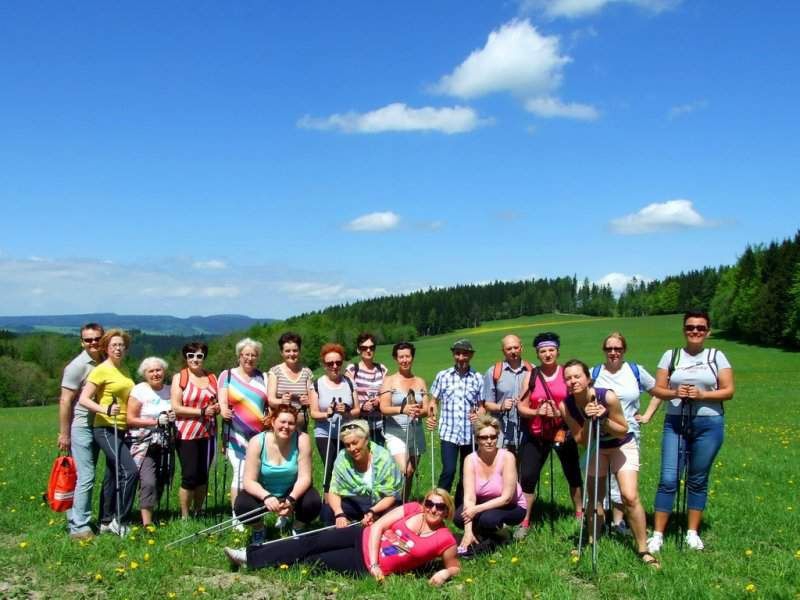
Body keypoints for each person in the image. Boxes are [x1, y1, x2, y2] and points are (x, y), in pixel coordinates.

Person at [225, 488, 461, 587]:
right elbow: (378, 527)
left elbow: (455, 566)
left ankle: (269, 562)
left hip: (362, 565)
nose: (433, 509)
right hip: (362, 537)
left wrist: (445, 573)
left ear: (447, 511)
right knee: (310, 542)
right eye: (429, 503)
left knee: (314, 561)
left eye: (440, 507)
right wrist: (376, 563)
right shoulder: (412, 509)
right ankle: (249, 556)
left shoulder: (444, 539)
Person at [646, 310, 734, 553]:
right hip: (676, 422)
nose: (695, 331)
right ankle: (657, 535)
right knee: (668, 479)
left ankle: (692, 533)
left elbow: (728, 391)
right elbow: (658, 389)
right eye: (690, 327)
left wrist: (702, 394)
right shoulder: (671, 356)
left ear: (708, 331)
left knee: (697, 479)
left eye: (700, 328)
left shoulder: (716, 356)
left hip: (709, 424)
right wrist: (675, 393)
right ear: (684, 330)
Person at [560, 359, 659, 568]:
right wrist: (589, 419)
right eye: (568, 378)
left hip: (621, 445)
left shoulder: (607, 396)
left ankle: (643, 549)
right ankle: (592, 541)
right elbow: (581, 440)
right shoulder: (566, 405)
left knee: (629, 496)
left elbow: (623, 430)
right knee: (595, 497)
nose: (573, 381)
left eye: (577, 376)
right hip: (596, 448)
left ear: (588, 379)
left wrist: (603, 419)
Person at [514, 332, 583, 539]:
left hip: (563, 431)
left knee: (573, 474)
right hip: (537, 434)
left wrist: (560, 413)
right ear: (537, 354)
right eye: (543, 351)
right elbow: (521, 407)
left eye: (551, 350)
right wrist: (537, 411)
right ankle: (524, 521)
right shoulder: (531, 375)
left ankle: (580, 515)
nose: (547, 354)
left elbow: (578, 402)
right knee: (528, 477)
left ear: (557, 351)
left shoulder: (566, 374)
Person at [590, 332, 656, 536]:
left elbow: (658, 391)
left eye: (617, 348)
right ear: (604, 350)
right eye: (609, 348)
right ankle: (601, 522)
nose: (613, 352)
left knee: (622, 482)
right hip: (600, 435)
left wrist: (647, 415)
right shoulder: (594, 373)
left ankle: (618, 523)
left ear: (624, 350)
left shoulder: (635, 371)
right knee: (600, 481)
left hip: (628, 435)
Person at [233, 404, 321, 544]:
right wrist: (267, 497)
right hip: (265, 490)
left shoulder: (302, 439)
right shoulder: (257, 441)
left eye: (291, 423)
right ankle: (258, 528)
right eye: (282, 422)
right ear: (273, 422)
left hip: (292, 490)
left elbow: (305, 477)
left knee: (313, 502)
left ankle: (298, 527)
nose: (286, 426)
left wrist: (291, 499)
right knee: (242, 505)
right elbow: (249, 481)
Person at [78, 328, 137, 536]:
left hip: (121, 428)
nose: (118, 348)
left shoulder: (124, 369)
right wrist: (105, 409)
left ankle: (105, 520)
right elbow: (84, 399)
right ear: (106, 348)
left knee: (112, 474)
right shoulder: (101, 370)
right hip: (105, 427)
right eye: (114, 345)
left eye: (121, 345)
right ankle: (120, 520)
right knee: (130, 471)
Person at [57, 322, 104, 540]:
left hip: (100, 425)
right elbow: (65, 401)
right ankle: (79, 527)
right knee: (86, 475)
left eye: (97, 339)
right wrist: (64, 434)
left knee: (84, 476)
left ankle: (77, 518)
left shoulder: (106, 361)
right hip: (82, 426)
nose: (93, 343)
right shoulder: (76, 366)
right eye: (88, 340)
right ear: (82, 342)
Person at [454, 415, 526, 556]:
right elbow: (469, 497)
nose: (489, 441)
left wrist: (476, 509)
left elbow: (506, 498)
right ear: (477, 439)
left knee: (488, 519)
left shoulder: (507, 457)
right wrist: (467, 531)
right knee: (459, 517)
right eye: (484, 438)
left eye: (493, 437)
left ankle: (502, 534)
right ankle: (475, 536)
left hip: (511, 505)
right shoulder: (470, 460)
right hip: (483, 503)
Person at [428, 339, 484, 506]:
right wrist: (432, 414)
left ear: (471, 355)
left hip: (470, 434)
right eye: (457, 353)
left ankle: (460, 506)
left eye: (465, 354)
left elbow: (482, 406)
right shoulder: (443, 376)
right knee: (449, 470)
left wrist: (478, 416)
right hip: (449, 433)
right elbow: (433, 401)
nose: (461, 357)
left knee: (466, 473)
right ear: (453, 354)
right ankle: (438, 504)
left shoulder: (478, 378)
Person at [170, 341, 220, 519]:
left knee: (203, 475)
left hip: (208, 433)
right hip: (186, 434)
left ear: (204, 357)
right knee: (189, 475)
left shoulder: (212, 377)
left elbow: (218, 401)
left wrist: (217, 408)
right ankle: (185, 515)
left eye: (199, 356)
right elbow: (176, 407)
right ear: (185, 357)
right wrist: (202, 412)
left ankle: (199, 511)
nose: (195, 359)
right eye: (190, 356)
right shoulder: (180, 378)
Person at [320, 420, 401, 526]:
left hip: (381, 504)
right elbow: (334, 491)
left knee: (395, 514)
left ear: (366, 440)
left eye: (355, 443)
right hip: (354, 504)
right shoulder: (342, 458)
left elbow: (392, 495)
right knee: (327, 511)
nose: (352, 449)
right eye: (347, 445)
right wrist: (339, 514)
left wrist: (372, 511)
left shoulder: (383, 457)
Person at [219, 338, 268, 511]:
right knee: (240, 474)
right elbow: (222, 400)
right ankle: (237, 515)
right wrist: (223, 410)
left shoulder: (263, 377)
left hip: (259, 435)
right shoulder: (227, 375)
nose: (249, 358)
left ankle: (254, 512)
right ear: (239, 356)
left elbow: (268, 403)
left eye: (253, 355)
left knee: (257, 474)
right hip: (234, 433)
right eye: (246, 354)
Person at [127, 357, 176, 527]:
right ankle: (147, 523)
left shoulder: (170, 390)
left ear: (164, 371)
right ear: (144, 374)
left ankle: (152, 512)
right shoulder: (139, 390)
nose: (155, 374)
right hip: (143, 443)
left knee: (161, 479)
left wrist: (172, 417)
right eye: (151, 371)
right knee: (148, 481)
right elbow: (130, 419)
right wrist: (155, 422)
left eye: (158, 370)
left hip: (164, 443)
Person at [309, 343, 360, 497]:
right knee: (330, 468)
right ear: (324, 365)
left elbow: (357, 410)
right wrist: (327, 414)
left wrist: (347, 412)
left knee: (348, 468)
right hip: (325, 433)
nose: (335, 366)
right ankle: (328, 503)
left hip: (347, 434)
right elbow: (313, 413)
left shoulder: (349, 382)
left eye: (338, 362)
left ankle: (346, 502)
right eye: (330, 363)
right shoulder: (317, 384)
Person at [379, 342, 429, 500]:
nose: (405, 360)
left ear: (412, 357)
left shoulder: (420, 381)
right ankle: (390, 502)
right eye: (401, 357)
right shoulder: (389, 381)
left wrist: (419, 412)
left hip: (416, 430)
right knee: (404, 470)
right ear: (396, 358)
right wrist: (402, 410)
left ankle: (404, 503)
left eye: (408, 356)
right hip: (396, 432)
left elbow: (426, 409)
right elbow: (383, 408)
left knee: (411, 471)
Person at [482, 334, 533, 453]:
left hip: (526, 431)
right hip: (501, 431)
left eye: (516, 347)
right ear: (503, 351)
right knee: (502, 462)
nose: (513, 351)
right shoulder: (493, 372)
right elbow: (487, 404)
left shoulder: (532, 370)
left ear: (521, 348)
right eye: (509, 349)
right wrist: (501, 406)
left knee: (524, 464)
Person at [345, 333, 388, 445]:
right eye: (364, 348)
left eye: (371, 347)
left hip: (378, 424)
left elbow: (387, 394)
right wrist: (362, 406)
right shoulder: (352, 370)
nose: (368, 350)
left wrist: (378, 400)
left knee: (378, 454)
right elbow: (347, 396)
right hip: (358, 425)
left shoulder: (382, 369)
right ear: (358, 350)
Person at [267, 332, 314, 431]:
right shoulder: (275, 372)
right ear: (281, 352)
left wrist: (307, 401)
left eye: (295, 350)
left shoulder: (307, 372)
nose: (291, 354)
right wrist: (282, 401)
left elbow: (312, 400)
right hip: (281, 425)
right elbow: (271, 400)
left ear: (299, 351)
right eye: (287, 351)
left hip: (301, 425)